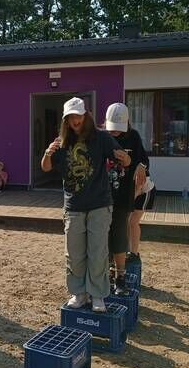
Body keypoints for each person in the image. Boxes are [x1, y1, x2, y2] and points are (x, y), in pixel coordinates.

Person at [42, 97, 130, 313]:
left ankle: (98, 295)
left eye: (78, 115)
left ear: (86, 115)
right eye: (71, 117)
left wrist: (125, 159)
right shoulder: (61, 142)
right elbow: (45, 167)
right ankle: (79, 293)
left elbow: (125, 160)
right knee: (74, 254)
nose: (75, 120)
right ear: (66, 120)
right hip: (73, 206)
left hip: (99, 204)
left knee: (98, 253)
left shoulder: (101, 137)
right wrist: (47, 153)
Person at [103, 103, 149, 295]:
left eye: (118, 129)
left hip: (123, 195)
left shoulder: (133, 136)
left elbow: (143, 160)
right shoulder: (101, 136)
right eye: (111, 128)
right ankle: (105, 274)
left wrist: (140, 166)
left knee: (120, 233)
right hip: (102, 196)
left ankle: (120, 276)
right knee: (103, 236)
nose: (114, 132)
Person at [127, 172, 156, 267]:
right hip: (133, 192)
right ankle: (128, 249)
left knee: (133, 222)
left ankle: (134, 253)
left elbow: (139, 186)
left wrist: (129, 202)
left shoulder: (139, 166)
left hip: (144, 191)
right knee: (127, 221)